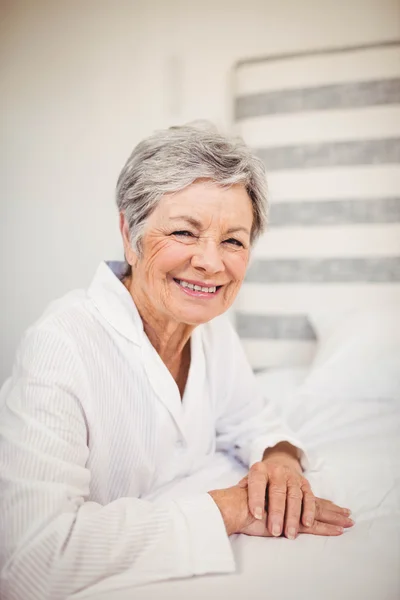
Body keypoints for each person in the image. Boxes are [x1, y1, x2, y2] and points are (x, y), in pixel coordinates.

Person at [0, 123, 353, 600]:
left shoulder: (212, 330)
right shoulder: (61, 344)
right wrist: (231, 509)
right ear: (131, 234)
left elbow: (252, 418)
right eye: (185, 232)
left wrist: (281, 460)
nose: (211, 262)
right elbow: (33, 559)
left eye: (233, 240)